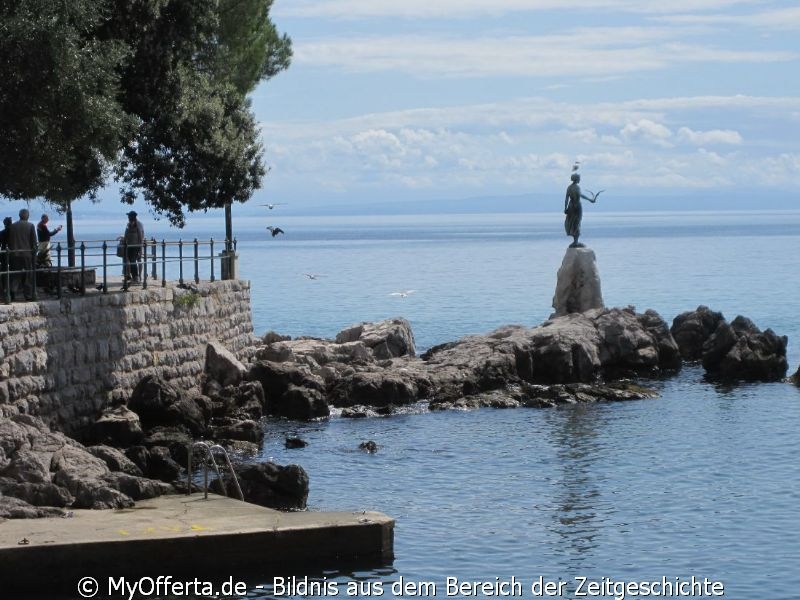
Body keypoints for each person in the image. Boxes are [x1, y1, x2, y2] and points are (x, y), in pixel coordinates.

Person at [564, 173, 602, 248]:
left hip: (571, 206)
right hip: (577, 206)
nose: (580, 179)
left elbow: (566, 199)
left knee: (572, 222)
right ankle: (576, 242)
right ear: (576, 179)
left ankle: (575, 241)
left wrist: (565, 208)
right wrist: (590, 199)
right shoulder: (577, 187)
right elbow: (581, 195)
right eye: (579, 178)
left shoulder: (569, 187)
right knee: (577, 222)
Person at [7, 208, 38, 300]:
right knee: (27, 276)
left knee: (14, 275)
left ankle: (12, 293)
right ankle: (28, 295)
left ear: (19, 215)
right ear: (27, 216)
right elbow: (34, 242)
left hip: (14, 254)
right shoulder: (30, 226)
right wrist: (34, 255)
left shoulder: (12, 226)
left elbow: (9, 241)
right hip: (26, 255)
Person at [119, 211, 145, 282]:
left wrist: (140, 249)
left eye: (129, 216)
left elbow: (141, 237)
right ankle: (130, 276)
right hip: (129, 246)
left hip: (136, 246)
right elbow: (126, 235)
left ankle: (136, 276)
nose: (128, 218)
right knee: (130, 261)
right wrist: (122, 237)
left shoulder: (138, 225)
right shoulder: (128, 225)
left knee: (133, 261)